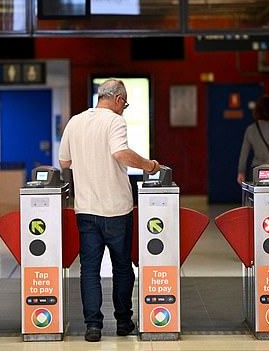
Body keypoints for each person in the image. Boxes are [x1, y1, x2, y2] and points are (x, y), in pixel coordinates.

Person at [59, 79, 161, 342]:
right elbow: (120, 153)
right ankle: (123, 322)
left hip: (86, 209)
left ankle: (93, 326)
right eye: (124, 104)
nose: (124, 109)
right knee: (122, 267)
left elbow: (64, 161)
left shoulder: (76, 121)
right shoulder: (115, 121)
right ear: (117, 100)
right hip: (116, 209)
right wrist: (149, 166)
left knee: (90, 269)